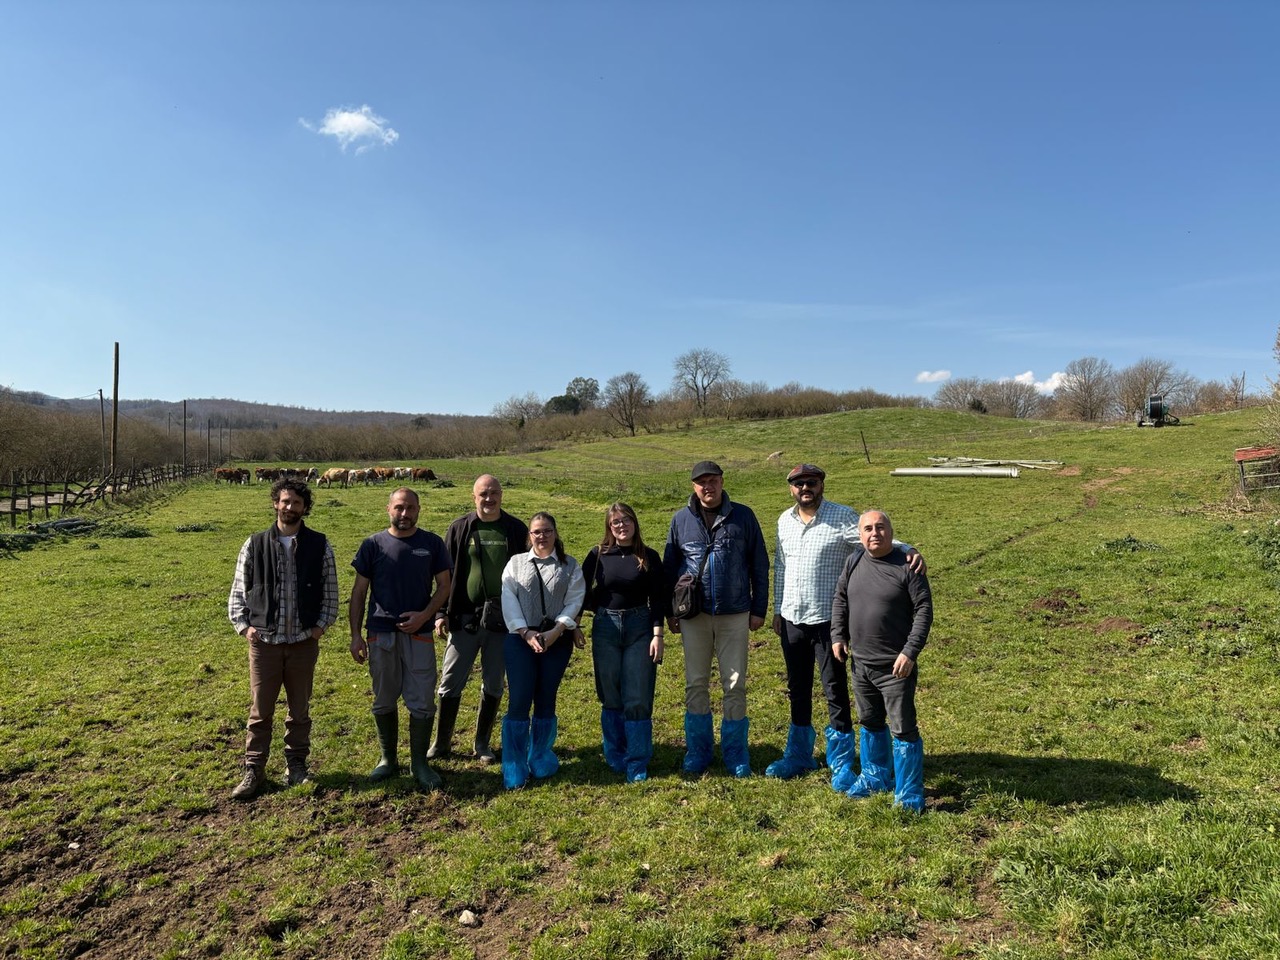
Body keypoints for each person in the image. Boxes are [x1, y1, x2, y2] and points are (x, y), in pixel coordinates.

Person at [767, 464, 924, 790]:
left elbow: (875, 537)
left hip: (828, 622)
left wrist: (909, 550)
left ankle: (841, 763)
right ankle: (799, 754)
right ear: (791, 489)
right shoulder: (784, 521)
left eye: (810, 482)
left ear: (821, 484)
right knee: (797, 689)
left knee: (834, 692)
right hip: (792, 618)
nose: (804, 488)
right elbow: (780, 565)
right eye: (798, 484)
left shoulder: (841, 518)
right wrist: (777, 608)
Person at [227, 478, 339, 801]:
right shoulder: (255, 544)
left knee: (299, 708)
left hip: (303, 642)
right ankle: (254, 769)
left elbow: (330, 592)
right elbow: (238, 592)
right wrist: (245, 627)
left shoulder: (319, 545)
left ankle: (296, 765)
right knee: (260, 710)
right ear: (276, 503)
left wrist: (319, 627)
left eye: (297, 503)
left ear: (305, 508)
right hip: (265, 644)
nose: (290, 508)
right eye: (285, 501)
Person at [664, 460, 769, 777]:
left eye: (713, 481)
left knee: (734, 684)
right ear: (693, 487)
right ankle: (698, 750)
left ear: (723, 482)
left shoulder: (744, 516)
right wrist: (671, 612)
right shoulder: (681, 520)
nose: (707, 487)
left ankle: (736, 752)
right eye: (701, 482)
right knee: (695, 683)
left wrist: (758, 609)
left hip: (735, 612)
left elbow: (759, 565)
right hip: (694, 615)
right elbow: (670, 568)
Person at [349, 488, 452, 792]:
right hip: (381, 633)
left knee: (421, 699)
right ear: (388, 509)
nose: (404, 514)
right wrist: (356, 635)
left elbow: (444, 586)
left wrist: (425, 616)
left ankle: (419, 763)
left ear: (419, 510)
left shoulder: (432, 544)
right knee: (383, 697)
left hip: (418, 635)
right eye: (398, 508)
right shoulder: (372, 545)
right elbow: (358, 592)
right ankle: (387, 759)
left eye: (410, 508)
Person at [831, 510, 933, 811]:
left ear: (891, 531)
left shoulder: (908, 566)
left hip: (895, 668)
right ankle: (876, 776)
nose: (874, 533)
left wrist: (909, 652)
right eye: (867, 529)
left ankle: (909, 794)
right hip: (860, 664)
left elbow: (924, 611)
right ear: (860, 534)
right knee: (870, 721)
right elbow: (840, 599)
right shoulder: (854, 561)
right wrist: (838, 635)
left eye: (880, 527)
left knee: (903, 728)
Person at [430, 475, 529, 763]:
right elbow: (444, 576)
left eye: (494, 493)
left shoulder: (515, 528)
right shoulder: (460, 528)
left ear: (502, 495)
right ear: (474, 496)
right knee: (449, 682)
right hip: (464, 619)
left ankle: (482, 744)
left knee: (494, 682)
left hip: (503, 622)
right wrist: (440, 613)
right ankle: (441, 743)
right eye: (483, 493)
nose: (489, 498)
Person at [499, 512, 586, 790]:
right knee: (520, 698)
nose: (542, 536)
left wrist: (556, 632)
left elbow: (574, 601)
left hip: (556, 640)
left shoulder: (570, 565)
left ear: (555, 533)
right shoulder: (515, 564)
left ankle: (540, 755)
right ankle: (514, 763)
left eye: (547, 531)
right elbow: (508, 598)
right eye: (537, 532)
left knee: (547, 697)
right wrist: (525, 632)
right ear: (529, 536)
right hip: (520, 639)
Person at [580, 503, 665, 783]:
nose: (621, 525)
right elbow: (579, 591)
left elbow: (658, 598)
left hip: (640, 627)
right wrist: (575, 625)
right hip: (605, 627)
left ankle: (638, 759)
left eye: (626, 520)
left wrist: (657, 635)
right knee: (610, 693)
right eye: (615, 522)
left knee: (638, 695)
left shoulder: (648, 556)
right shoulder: (598, 555)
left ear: (635, 523)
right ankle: (615, 754)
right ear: (609, 526)